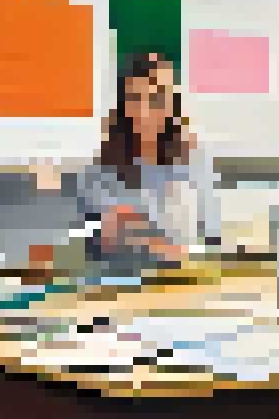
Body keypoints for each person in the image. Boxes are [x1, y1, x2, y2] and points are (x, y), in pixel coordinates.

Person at [78, 51, 223, 262]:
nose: (144, 111)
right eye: (135, 98)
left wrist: (165, 247)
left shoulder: (193, 161)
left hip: (186, 281)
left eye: (155, 99)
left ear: (171, 104)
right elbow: (89, 247)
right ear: (123, 104)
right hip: (120, 283)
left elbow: (211, 242)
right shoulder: (103, 167)